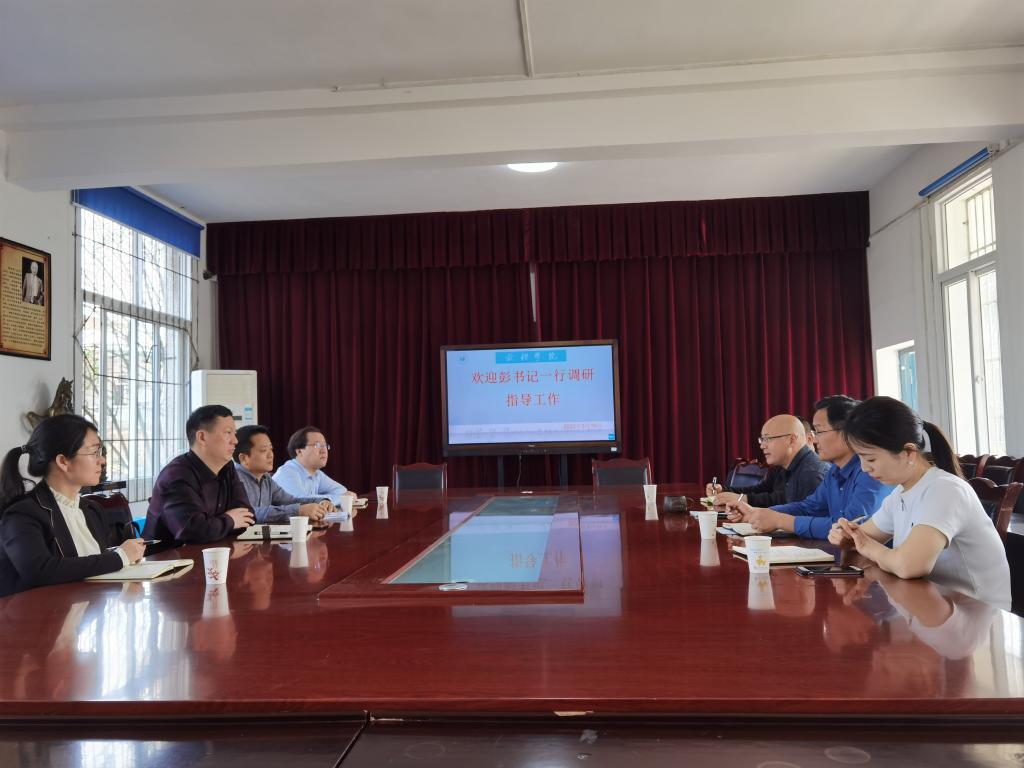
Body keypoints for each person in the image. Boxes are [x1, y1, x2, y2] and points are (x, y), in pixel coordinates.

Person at [828, 396, 1010, 609]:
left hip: (978, 615)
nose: (864, 468)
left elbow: (908, 566)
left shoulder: (945, 490)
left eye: (870, 459)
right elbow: (859, 537)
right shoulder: (900, 493)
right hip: (934, 606)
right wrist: (845, 536)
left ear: (908, 452)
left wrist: (865, 545)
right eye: (859, 458)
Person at [0, 414, 145, 596]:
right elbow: (39, 571)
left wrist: (125, 558)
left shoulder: (92, 509)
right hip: (37, 613)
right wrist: (119, 557)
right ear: (63, 462)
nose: (102, 460)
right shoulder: (22, 514)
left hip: (86, 609)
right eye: (94, 452)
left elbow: (94, 569)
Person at [727, 395, 892, 538]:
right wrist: (760, 513)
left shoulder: (871, 472)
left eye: (819, 431)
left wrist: (781, 520)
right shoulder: (835, 471)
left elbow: (851, 528)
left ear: (847, 432)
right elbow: (809, 507)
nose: (814, 439)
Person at [142, 405, 254, 544]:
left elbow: (248, 517)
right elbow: (193, 531)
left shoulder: (227, 467)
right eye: (228, 433)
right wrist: (230, 520)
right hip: (166, 555)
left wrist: (219, 525)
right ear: (202, 437)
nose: (235, 440)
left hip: (216, 550)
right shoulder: (176, 476)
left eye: (234, 433)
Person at [706, 414, 828, 508]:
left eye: (767, 439)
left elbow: (795, 510)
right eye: (762, 439)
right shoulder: (781, 465)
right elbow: (761, 490)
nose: (762, 446)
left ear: (791, 440)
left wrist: (742, 499)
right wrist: (724, 491)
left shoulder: (812, 473)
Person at [233, 425, 333, 524]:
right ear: (244, 458)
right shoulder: (234, 479)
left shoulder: (266, 478)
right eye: (263, 450)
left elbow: (290, 501)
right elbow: (250, 513)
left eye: (271, 449)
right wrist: (298, 510)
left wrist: (320, 501)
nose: (271, 455)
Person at [273, 426, 356, 506]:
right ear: (299, 452)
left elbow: (342, 491)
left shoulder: (316, 473)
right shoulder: (287, 472)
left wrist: (337, 498)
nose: (324, 450)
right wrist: (340, 498)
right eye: (318, 445)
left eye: (325, 445)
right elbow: (301, 501)